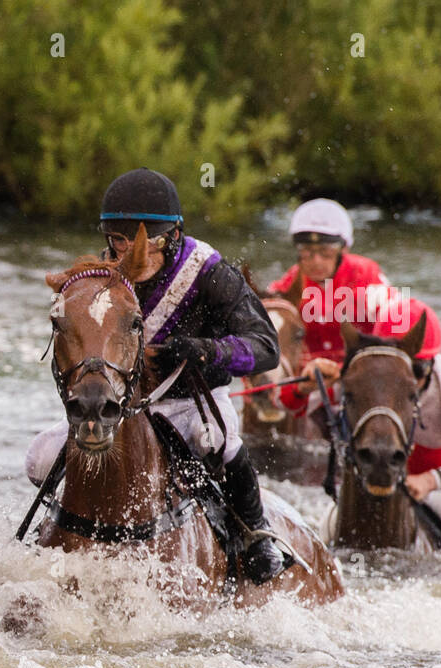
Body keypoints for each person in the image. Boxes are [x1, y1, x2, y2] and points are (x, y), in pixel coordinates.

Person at [26, 168, 286, 582]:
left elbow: (266, 347)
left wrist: (206, 351)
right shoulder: (102, 275)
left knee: (218, 441)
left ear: (174, 236)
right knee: (39, 458)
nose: (133, 256)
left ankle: (256, 535)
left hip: (189, 400)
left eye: (146, 244)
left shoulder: (210, 273)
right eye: (119, 242)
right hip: (121, 403)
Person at [313, 293, 441, 553]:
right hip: (376, 470)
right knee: (326, 526)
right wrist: (305, 386)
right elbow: (289, 405)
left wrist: (430, 480)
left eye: (417, 369)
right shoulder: (366, 374)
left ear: (431, 361)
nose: (407, 378)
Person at [267, 199, 391, 393]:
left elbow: (393, 324)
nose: (316, 261)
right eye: (307, 251)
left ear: (343, 250)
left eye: (325, 252)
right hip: (308, 380)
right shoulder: (291, 280)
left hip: (357, 376)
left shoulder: (367, 275)